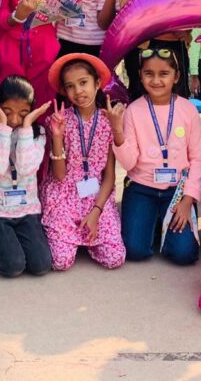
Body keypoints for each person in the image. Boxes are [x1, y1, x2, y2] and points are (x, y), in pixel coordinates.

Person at [112, 47, 201, 264]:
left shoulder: (188, 110)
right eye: (149, 74)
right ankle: (152, 223)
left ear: (176, 76)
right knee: (135, 251)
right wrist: (117, 132)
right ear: (140, 75)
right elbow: (129, 163)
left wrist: (187, 200)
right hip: (141, 188)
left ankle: (159, 224)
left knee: (184, 255)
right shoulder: (133, 110)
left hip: (177, 191)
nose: (156, 80)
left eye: (163, 74)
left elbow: (198, 159)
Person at [40, 54, 125, 271]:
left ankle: (87, 239)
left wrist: (96, 211)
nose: (78, 91)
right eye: (70, 86)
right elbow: (59, 175)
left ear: (97, 83)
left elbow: (109, 176)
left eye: (83, 82)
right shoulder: (59, 120)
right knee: (60, 261)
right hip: (64, 195)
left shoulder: (108, 121)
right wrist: (57, 136)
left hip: (96, 195)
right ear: (64, 91)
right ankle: (68, 238)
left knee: (115, 258)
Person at [0, 80, 53, 277]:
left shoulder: (37, 133)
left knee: (41, 265)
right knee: (13, 266)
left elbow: (26, 169)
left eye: (23, 113)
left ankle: (5, 240)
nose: (14, 119)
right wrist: (2, 126)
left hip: (26, 208)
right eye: (7, 111)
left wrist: (27, 127)